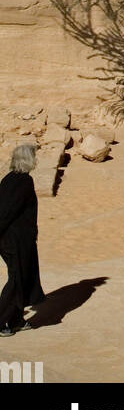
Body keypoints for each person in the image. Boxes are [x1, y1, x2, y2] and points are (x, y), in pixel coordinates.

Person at [0, 144, 45, 336]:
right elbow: (7, 212)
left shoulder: (9, 179)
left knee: (22, 277)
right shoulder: (24, 181)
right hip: (14, 241)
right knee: (17, 280)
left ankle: (16, 319)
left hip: (15, 240)